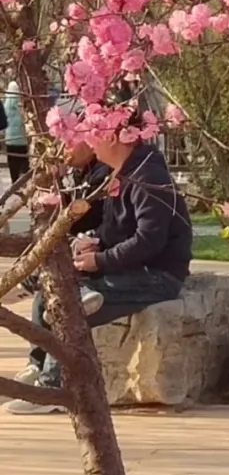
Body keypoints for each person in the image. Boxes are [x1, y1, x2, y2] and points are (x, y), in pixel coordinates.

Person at [4, 115, 193, 415]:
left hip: (156, 275)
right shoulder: (121, 172)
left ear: (114, 137)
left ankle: (53, 388)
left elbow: (149, 240)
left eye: (95, 134)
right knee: (53, 289)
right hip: (130, 267)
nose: (90, 143)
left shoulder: (147, 176)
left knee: (69, 306)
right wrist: (96, 244)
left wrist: (101, 260)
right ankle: (39, 367)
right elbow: (115, 228)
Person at [3, 79, 29, 185]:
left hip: (9, 140)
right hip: (22, 140)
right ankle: (23, 183)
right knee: (23, 162)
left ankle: (14, 182)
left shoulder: (5, 105)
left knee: (13, 164)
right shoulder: (21, 106)